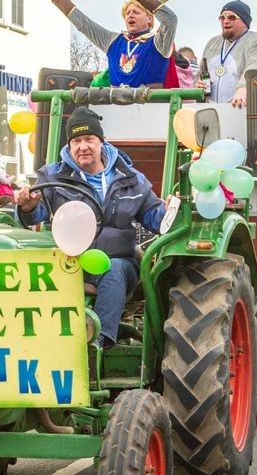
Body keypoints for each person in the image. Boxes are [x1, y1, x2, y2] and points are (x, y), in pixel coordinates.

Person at [16, 108, 165, 349]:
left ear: (101, 142)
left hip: (117, 261)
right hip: (69, 262)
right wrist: (28, 207)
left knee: (114, 268)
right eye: (76, 141)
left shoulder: (129, 178)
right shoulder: (53, 176)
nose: (82, 146)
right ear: (69, 145)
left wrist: (169, 210)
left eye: (89, 139)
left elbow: (154, 217)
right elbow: (36, 212)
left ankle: (98, 343)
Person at [39, 0, 177, 88]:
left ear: (149, 18)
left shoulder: (159, 42)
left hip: (152, 109)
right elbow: (84, 25)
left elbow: (171, 20)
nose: (130, 16)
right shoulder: (113, 41)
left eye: (136, 12)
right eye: (127, 13)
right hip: (115, 110)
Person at [199, 0, 257, 107]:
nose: (225, 21)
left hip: (240, 110)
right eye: (222, 17)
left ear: (245, 21)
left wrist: (244, 87)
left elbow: (256, 66)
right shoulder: (212, 43)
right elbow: (199, 74)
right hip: (210, 112)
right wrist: (198, 85)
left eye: (232, 17)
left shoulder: (256, 42)